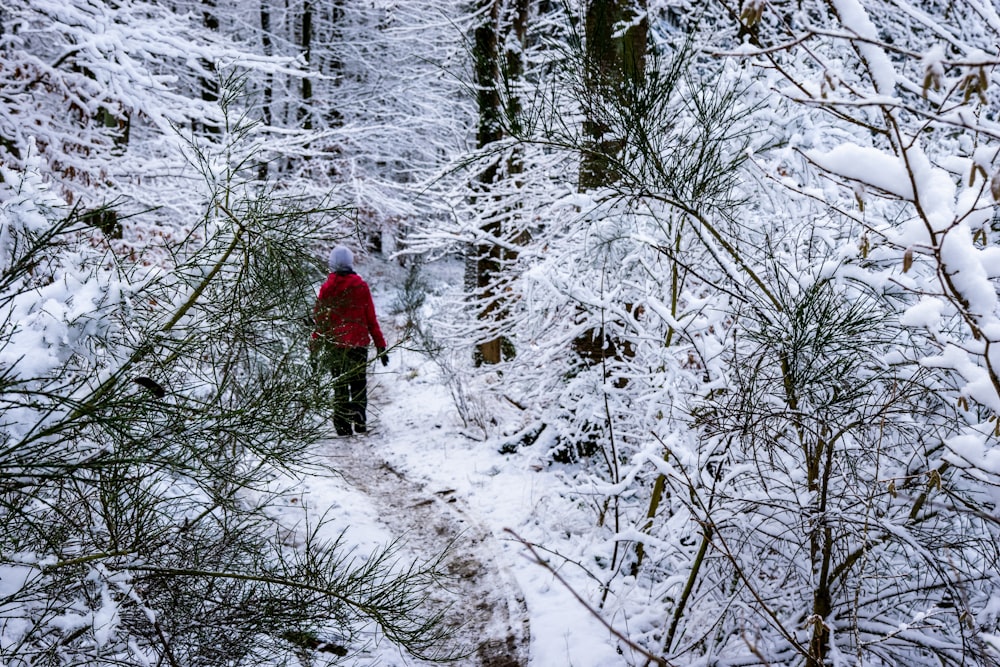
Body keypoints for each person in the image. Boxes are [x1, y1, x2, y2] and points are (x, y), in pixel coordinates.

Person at [312, 245, 388, 436]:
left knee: (339, 386)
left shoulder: (327, 288)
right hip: (358, 344)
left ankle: (343, 424)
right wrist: (380, 346)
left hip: (335, 346)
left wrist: (314, 346)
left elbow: (320, 320)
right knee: (358, 383)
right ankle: (359, 419)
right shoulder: (361, 286)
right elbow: (371, 319)